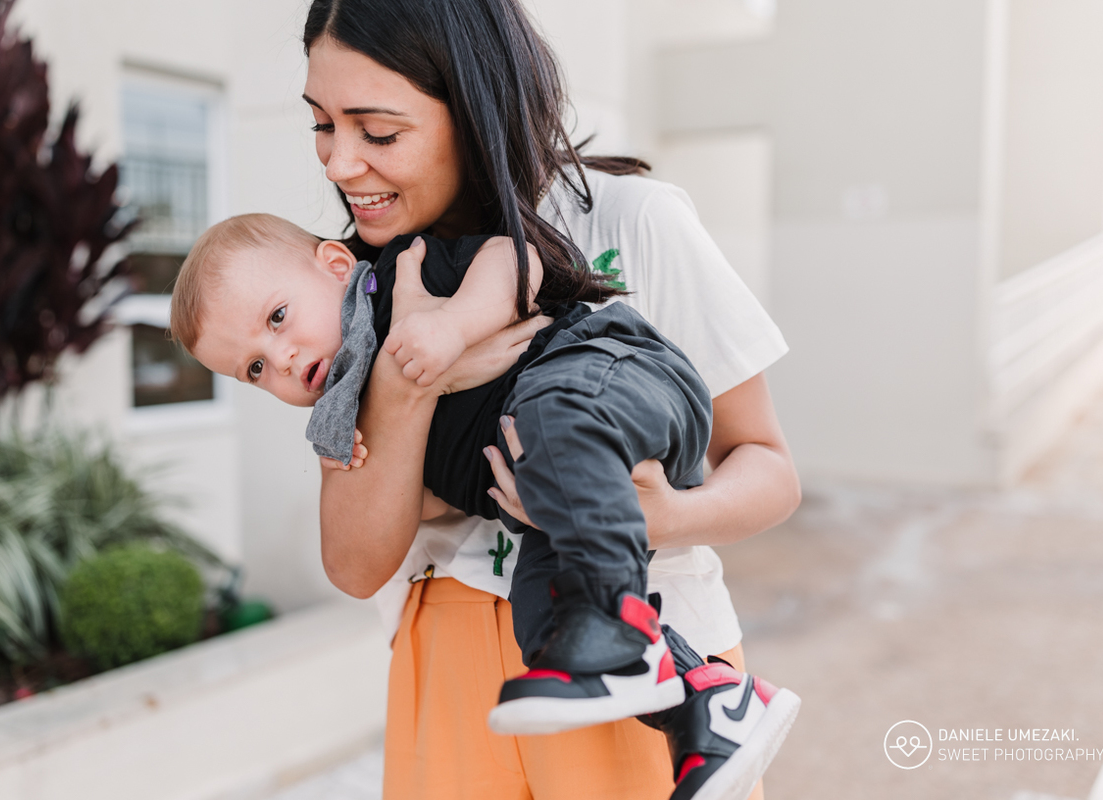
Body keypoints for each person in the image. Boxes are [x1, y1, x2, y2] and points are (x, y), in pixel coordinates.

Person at [296, 1, 802, 798]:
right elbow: (357, 564)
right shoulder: (355, 285)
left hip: (637, 664)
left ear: (473, 104)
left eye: (378, 132)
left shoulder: (633, 218)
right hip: (448, 663)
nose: (340, 163)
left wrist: (659, 515)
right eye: (322, 125)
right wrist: (408, 379)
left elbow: (768, 468)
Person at [169, 213, 801, 798]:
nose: (279, 358)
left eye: (278, 318)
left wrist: (455, 324)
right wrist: (403, 413)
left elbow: (516, 256)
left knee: (554, 420)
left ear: (336, 265)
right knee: (546, 622)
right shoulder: (355, 414)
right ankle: (708, 703)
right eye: (254, 368)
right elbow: (420, 510)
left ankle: (613, 619)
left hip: (604, 375)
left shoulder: (397, 285)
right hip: (546, 513)